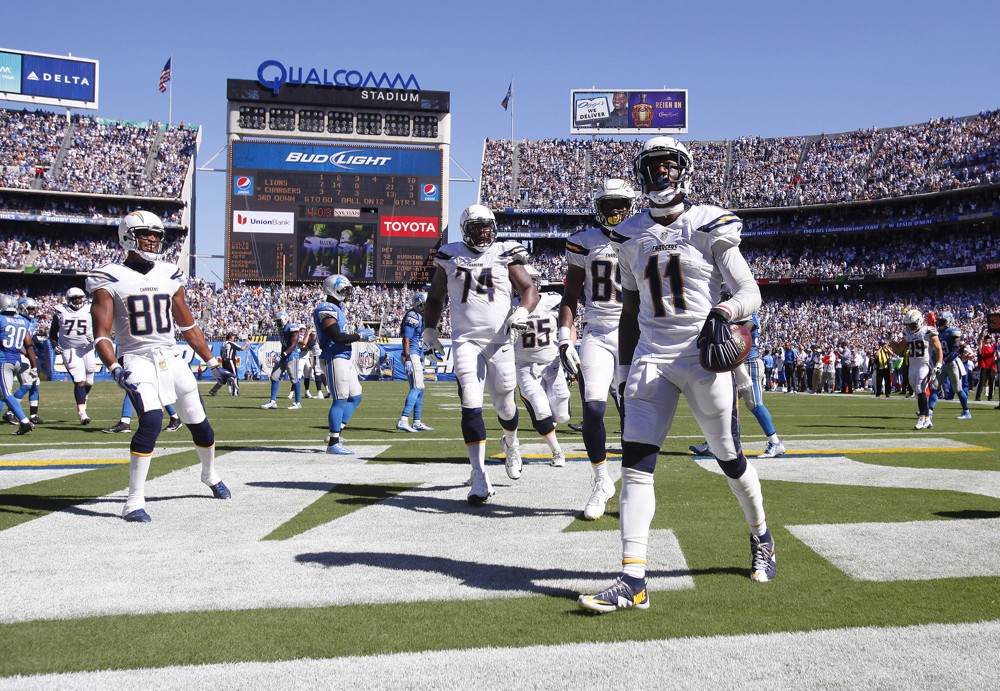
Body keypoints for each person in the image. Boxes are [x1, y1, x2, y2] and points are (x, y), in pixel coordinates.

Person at [579, 136, 774, 614]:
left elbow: (751, 291)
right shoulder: (627, 234)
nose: (661, 174)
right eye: (654, 166)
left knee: (729, 457)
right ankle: (633, 578)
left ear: (683, 170)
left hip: (702, 356)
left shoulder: (708, 222)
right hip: (651, 356)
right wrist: (624, 372)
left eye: (669, 165)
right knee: (636, 466)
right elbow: (627, 310)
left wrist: (725, 311)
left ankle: (761, 534)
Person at [87, 210, 235, 522]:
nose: (154, 240)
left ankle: (209, 475)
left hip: (172, 358)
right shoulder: (108, 277)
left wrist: (212, 362)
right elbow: (101, 334)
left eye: (157, 235)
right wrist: (113, 367)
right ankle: (134, 500)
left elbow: (188, 325)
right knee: (152, 421)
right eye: (147, 234)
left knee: (201, 425)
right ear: (128, 236)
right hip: (136, 358)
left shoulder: (169, 274)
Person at [422, 203, 538, 504]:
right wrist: (430, 330)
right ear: (465, 230)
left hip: (499, 342)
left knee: (506, 407)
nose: (484, 233)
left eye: (488, 227)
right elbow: (435, 297)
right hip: (466, 341)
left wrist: (523, 311)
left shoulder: (504, 253)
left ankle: (512, 443)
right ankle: (478, 474)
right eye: (478, 228)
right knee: (470, 401)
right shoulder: (450, 255)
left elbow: (529, 290)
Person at [558, 178, 636, 519]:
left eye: (621, 204)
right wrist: (565, 337)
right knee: (592, 409)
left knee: (636, 413)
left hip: (635, 331)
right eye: (608, 205)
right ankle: (602, 481)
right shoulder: (583, 242)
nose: (615, 211)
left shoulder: (644, 235)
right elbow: (570, 296)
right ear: (598, 209)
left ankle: (635, 485)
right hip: (599, 331)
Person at [690, 306, 786, 459]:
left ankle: (775, 443)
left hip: (749, 362)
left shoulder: (748, 311)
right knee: (725, 404)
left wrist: (722, 331)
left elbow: (741, 334)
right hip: (734, 364)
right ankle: (714, 444)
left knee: (754, 403)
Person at [313, 274, 376, 454]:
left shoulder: (336, 307)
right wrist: (359, 336)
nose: (347, 293)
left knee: (355, 396)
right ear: (333, 289)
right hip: (334, 356)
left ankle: (336, 432)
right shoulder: (326, 308)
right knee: (340, 399)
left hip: (344, 356)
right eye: (344, 289)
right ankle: (333, 443)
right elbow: (337, 336)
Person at [513, 266, 568, 466]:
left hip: (552, 364)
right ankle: (557, 452)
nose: (529, 282)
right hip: (525, 365)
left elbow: (568, 325)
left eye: (532, 278)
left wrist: (567, 345)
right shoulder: (509, 305)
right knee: (540, 409)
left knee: (562, 414)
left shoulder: (553, 300)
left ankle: (547, 426)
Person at [888, 309, 943, 430]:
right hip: (912, 366)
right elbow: (899, 350)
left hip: (925, 365)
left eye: (912, 324)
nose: (910, 327)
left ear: (918, 321)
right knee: (918, 392)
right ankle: (927, 419)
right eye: (908, 325)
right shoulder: (908, 334)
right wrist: (891, 340)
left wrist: (939, 364)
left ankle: (922, 417)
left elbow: (939, 348)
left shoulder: (928, 331)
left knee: (920, 388)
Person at [49, 287, 97, 424]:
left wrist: (95, 336)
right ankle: (82, 413)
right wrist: (54, 345)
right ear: (68, 299)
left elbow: (100, 325)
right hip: (69, 349)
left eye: (79, 297)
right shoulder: (60, 311)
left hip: (87, 349)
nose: (77, 300)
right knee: (79, 381)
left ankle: (82, 399)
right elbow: (53, 332)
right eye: (74, 298)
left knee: (89, 382)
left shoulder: (89, 309)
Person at [396, 291, 434, 433]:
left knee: (420, 389)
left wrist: (421, 354)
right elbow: (406, 338)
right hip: (411, 355)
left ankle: (417, 421)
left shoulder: (420, 316)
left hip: (416, 354)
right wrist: (407, 358)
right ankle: (403, 420)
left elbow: (418, 339)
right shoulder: (412, 316)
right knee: (417, 387)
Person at [0, 295, 37, 435]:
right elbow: (29, 346)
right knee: (2, 393)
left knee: (6, 393)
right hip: (17, 360)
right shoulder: (23, 321)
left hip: (4, 360)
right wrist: (34, 366)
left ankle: (25, 422)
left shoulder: (1, 319)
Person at [12, 298, 44, 424]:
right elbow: (15, 341)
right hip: (21, 355)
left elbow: (31, 336)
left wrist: (38, 343)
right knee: (27, 384)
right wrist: (24, 352)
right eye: (29, 308)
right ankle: (10, 411)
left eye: (33, 308)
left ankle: (34, 415)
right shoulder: (18, 320)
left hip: (30, 355)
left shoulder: (31, 321)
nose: (32, 311)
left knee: (35, 384)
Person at [260, 312, 301, 410]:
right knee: (274, 376)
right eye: (277, 321)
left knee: (294, 379)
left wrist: (283, 355)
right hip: (283, 356)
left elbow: (293, 345)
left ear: (285, 319)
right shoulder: (282, 330)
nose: (277, 323)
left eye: (279, 321)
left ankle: (297, 402)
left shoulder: (292, 328)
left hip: (291, 356)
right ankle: (273, 401)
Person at [935, 311, 971, 419]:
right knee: (934, 387)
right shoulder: (938, 333)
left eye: (942, 321)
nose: (940, 323)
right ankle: (928, 411)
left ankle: (966, 411)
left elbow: (955, 350)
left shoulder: (953, 331)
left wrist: (944, 360)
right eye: (939, 321)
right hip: (943, 363)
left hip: (952, 363)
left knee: (958, 389)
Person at [209, 332, 246, 397]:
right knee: (234, 376)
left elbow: (221, 353)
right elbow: (242, 348)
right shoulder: (231, 343)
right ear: (231, 337)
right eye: (233, 337)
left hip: (224, 361)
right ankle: (235, 392)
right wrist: (246, 344)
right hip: (230, 361)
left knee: (224, 377)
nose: (234, 338)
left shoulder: (223, 343)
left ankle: (214, 390)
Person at [975, 333, 995, 402]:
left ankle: (990, 396)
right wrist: (982, 331)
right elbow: (979, 340)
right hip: (984, 365)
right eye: (986, 339)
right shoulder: (982, 346)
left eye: (988, 339)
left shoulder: (993, 347)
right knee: (982, 381)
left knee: (991, 382)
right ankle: (978, 396)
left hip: (991, 366)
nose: (987, 340)